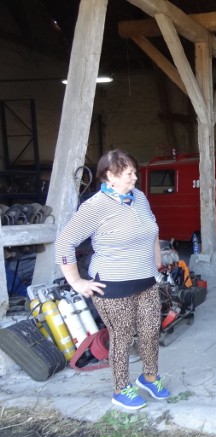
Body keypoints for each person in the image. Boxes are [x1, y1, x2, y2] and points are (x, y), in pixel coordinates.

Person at [55, 149, 170, 410]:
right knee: (122, 336)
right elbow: (64, 244)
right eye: (129, 173)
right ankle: (121, 389)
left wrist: (156, 259)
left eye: (135, 172)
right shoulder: (94, 207)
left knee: (151, 330)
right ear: (110, 176)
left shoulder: (139, 198)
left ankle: (149, 377)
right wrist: (77, 282)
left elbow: (153, 227)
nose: (135, 178)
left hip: (146, 281)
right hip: (112, 286)